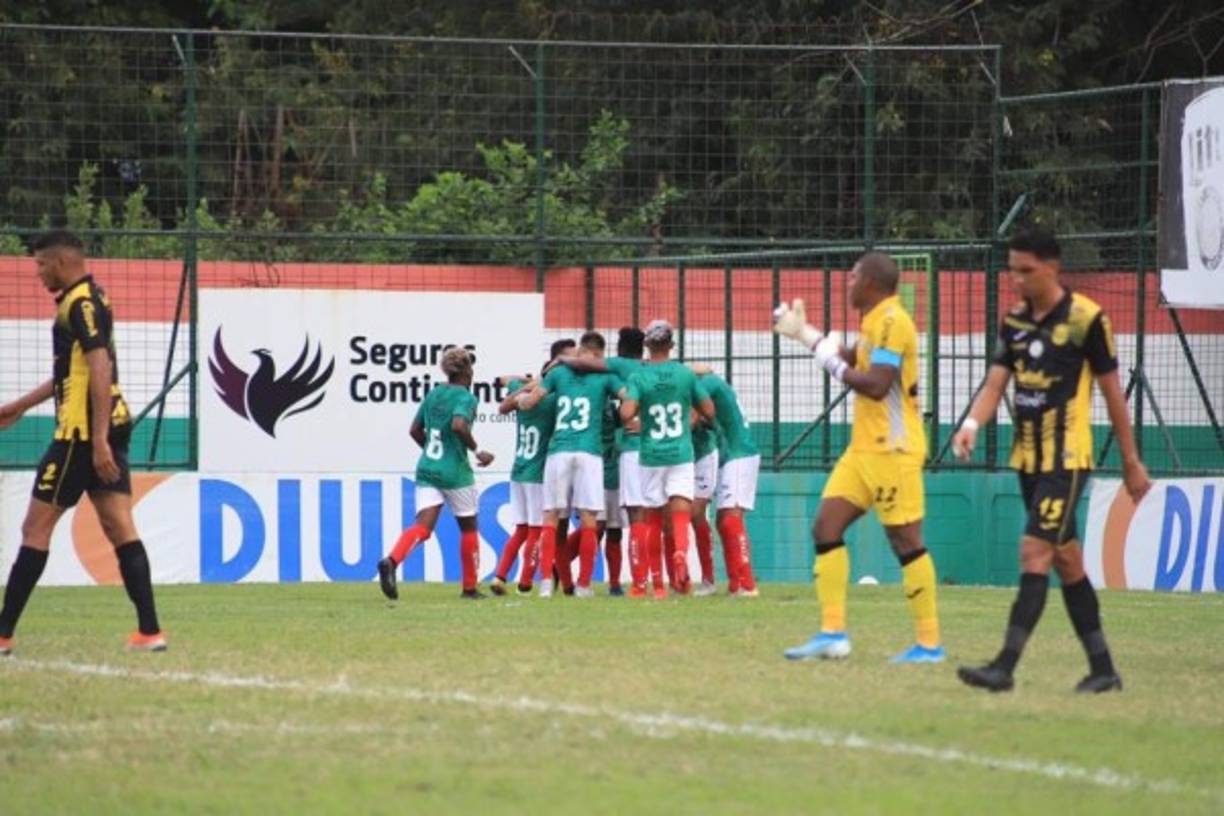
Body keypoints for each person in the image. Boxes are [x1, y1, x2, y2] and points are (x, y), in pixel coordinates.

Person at [953, 227, 1151, 693]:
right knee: (1068, 563)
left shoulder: (1087, 320)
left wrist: (1130, 460)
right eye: (1012, 270)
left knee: (1033, 551)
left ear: (1052, 268)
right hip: (1028, 459)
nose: (1016, 279)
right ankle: (1103, 669)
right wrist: (971, 426)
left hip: (1068, 459)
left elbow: (1112, 394)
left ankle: (1004, 668)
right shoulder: (1015, 322)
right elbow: (995, 385)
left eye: (1026, 270)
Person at [0, 230, 165, 654]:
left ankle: (2, 635)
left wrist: (99, 442)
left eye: (40, 264)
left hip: (80, 436)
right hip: (101, 429)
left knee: (35, 528)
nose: (37, 273)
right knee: (118, 526)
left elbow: (99, 367)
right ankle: (150, 632)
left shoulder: (81, 305)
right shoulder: (92, 298)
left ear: (60, 262)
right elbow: (72, 371)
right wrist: (19, 406)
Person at [775, 251, 944, 664]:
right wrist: (806, 334)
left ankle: (929, 643)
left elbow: (875, 384)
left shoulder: (892, 321)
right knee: (825, 527)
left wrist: (828, 361)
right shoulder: (873, 321)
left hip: (893, 450)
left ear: (870, 282)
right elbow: (851, 359)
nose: (847, 284)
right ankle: (832, 633)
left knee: (905, 540)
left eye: (852, 277)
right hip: (863, 450)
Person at [377, 346, 495, 600]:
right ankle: (470, 588)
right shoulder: (466, 397)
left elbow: (414, 430)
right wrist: (477, 450)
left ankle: (392, 561)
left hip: (428, 468)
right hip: (455, 473)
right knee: (468, 528)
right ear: (466, 371)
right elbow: (459, 424)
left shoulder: (434, 394)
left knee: (423, 527)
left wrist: (432, 452)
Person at [518, 332, 623, 598]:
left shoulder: (558, 374)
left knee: (550, 517)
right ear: (598, 354)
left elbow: (531, 401)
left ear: (580, 351)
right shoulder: (605, 376)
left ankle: (545, 584)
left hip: (559, 451)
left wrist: (520, 397)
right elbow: (627, 396)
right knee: (589, 519)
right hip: (590, 453)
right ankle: (584, 585)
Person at [619, 320, 716, 597]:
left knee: (652, 519)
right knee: (681, 510)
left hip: (651, 453)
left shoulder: (639, 377)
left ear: (647, 345)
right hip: (681, 453)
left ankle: (658, 585)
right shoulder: (685, 375)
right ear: (672, 346)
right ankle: (682, 553)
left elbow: (626, 415)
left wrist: (638, 409)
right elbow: (708, 409)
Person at [550, 327, 649, 594]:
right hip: (599, 461)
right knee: (600, 525)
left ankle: (609, 583)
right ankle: (567, 573)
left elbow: (621, 409)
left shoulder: (609, 375)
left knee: (608, 526)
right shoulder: (616, 374)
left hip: (611, 461)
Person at [489, 364, 556, 596]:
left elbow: (502, 378)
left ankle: (500, 575)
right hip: (537, 474)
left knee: (520, 530)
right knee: (536, 531)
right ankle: (526, 582)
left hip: (518, 470)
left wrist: (527, 381)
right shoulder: (552, 399)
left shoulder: (522, 391)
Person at [697, 371, 762, 597]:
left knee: (731, 519)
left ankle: (747, 583)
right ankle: (736, 582)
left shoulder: (707, 385)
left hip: (739, 455)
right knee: (724, 520)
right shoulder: (713, 383)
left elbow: (693, 417)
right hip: (733, 455)